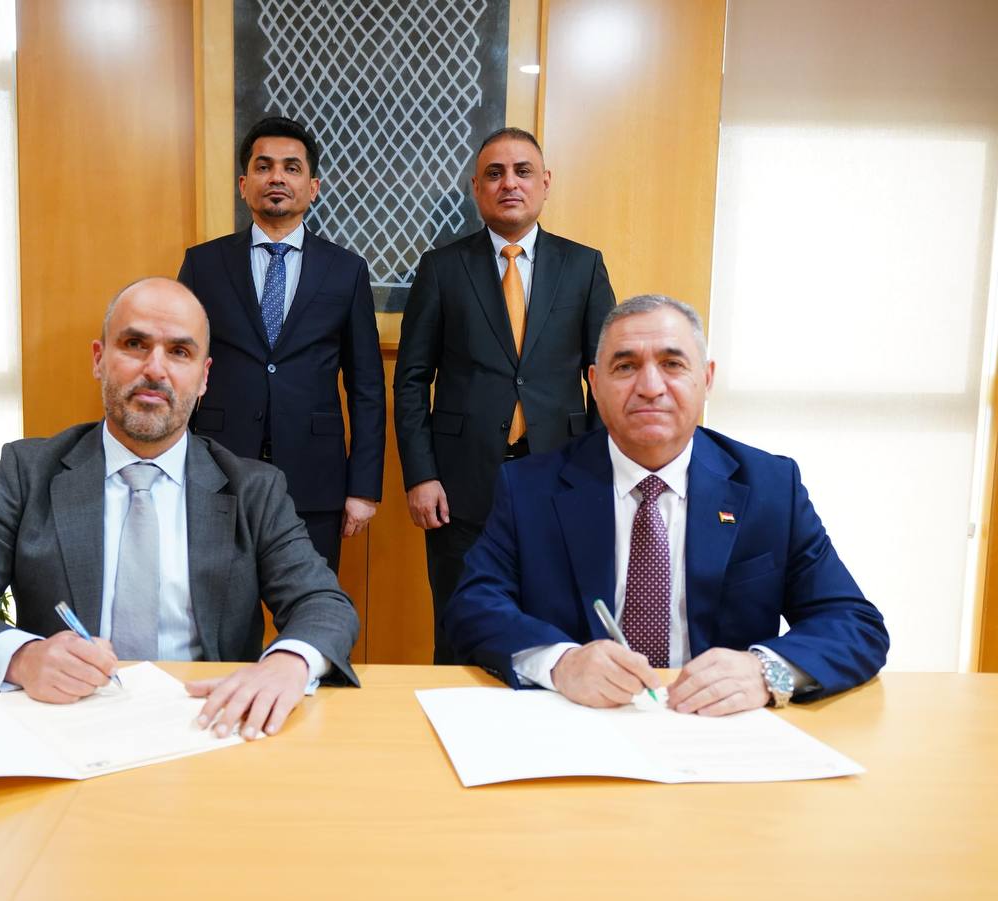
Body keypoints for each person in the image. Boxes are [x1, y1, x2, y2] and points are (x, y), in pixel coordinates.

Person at [0, 278, 360, 740]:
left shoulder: (254, 488)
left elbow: (323, 605)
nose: (155, 369)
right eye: (135, 344)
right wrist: (22, 658)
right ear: (99, 359)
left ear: (204, 377)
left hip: (209, 725)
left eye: (179, 352)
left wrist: (287, 663)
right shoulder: (27, 472)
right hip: (65, 726)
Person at [442, 295, 890, 713]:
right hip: (581, 720)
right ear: (595, 385)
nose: (650, 387)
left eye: (672, 364)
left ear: (706, 379)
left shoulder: (770, 486)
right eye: (626, 366)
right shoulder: (530, 487)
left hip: (718, 727)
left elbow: (853, 622)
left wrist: (764, 671)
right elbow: (473, 607)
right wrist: (561, 663)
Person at [394, 126, 616, 663]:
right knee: (459, 624)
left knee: (553, 626)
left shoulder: (583, 266)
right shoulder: (442, 268)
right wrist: (422, 476)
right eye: (494, 174)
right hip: (458, 486)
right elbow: (411, 379)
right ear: (476, 188)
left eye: (522, 172)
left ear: (545, 183)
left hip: (561, 474)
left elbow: (607, 376)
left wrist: (598, 469)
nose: (508, 183)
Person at [178, 116, 384, 573]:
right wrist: (175, 467)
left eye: (291, 168)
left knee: (310, 604)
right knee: (222, 609)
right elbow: (180, 370)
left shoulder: (346, 270)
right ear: (243, 184)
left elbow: (367, 386)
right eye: (263, 166)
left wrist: (363, 487)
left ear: (312, 187)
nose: (276, 177)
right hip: (217, 471)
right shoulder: (203, 264)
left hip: (316, 478)